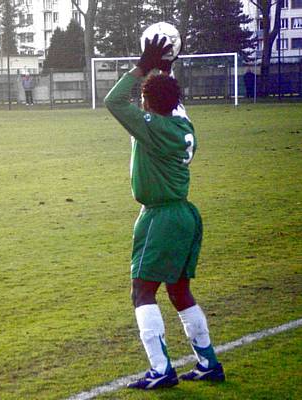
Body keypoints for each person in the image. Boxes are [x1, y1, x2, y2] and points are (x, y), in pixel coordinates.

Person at [104, 35, 224, 390]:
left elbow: (113, 101)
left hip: (160, 216)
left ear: (147, 102)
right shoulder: (184, 126)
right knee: (179, 291)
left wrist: (143, 66)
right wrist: (166, 69)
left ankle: (161, 369)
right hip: (186, 215)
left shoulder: (152, 128)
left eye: (143, 98)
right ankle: (208, 362)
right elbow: (174, 102)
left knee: (142, 291)